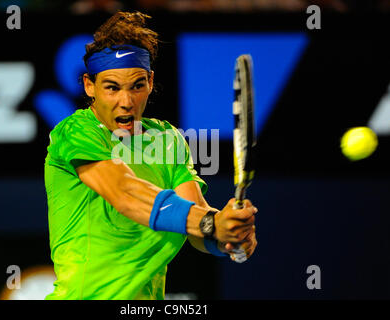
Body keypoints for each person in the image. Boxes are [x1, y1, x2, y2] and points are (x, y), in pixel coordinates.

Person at [44, 11, 258, 300]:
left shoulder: (167, 139)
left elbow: (196, 228)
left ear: (150, 81)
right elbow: (125, 195)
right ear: (88, 85)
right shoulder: (76, 131)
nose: (127, 102)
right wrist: (210, 223)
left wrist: (225, 234)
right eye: (112, 88)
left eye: (137, 85)